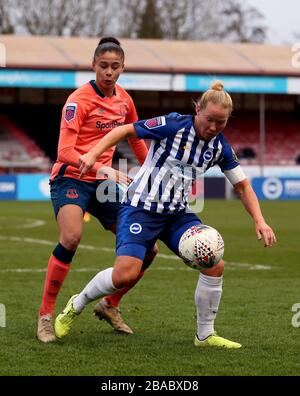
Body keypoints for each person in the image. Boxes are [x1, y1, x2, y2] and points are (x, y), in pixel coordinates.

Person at [54, 81, 277, 348]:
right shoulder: (173, 125)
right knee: (124, 275)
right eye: (209, 120)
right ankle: (76, 305)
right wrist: (92, 155)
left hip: (177, 214)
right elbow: (126, 130)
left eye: (222, 122)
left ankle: (204, 335)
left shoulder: (220, 147)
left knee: (214, 265)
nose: (214, 128)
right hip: (140, 209)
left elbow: (242, 186)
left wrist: (260, 220)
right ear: (197, 110)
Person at [37, 37, 157, 343]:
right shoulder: (78, 101)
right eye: (103, 66)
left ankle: (109, 305)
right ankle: (46, 316)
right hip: (72, 178)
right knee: (72, 236)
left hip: (105, 184)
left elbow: (136, 138)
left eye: (115, 67)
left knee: (149, 247)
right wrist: (102, 167)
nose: (109, 72)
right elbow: (64, 151)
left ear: (122, 69)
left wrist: (149, 173)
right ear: (93, 65)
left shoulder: (125, 101)